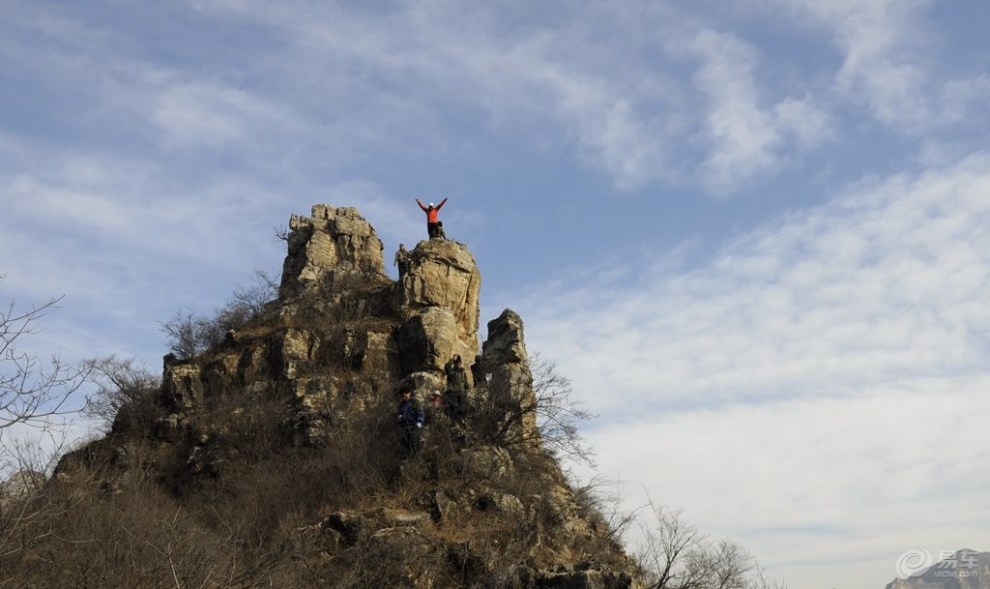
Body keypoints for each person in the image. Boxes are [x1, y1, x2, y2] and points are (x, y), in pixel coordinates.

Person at [397, 387, 425, 457]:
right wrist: (400, 417)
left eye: (404, 396)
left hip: (414, 428)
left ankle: (416, 461)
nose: (403, 398)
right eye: (402, 396)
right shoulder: (401, 405)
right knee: (406, 446)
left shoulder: (415, 402)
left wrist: (419, 422)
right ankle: (408, 462)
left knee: (414, 445)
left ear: (408, 393)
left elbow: (420, 413)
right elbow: (400, 413)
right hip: (405, 428)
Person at [444, 354, 469, 422]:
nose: (459, 364)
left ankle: (460, 420)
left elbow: (465, 381)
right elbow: (446, 367)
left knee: (462, 407)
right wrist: (452, 360)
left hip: (461, 392)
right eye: (458, 363)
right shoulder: (452, 371)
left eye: (460, 363)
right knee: (453, 407)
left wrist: (466, 386)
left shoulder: (463, 372)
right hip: (453, 391)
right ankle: (453, 421)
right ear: (455, 364)